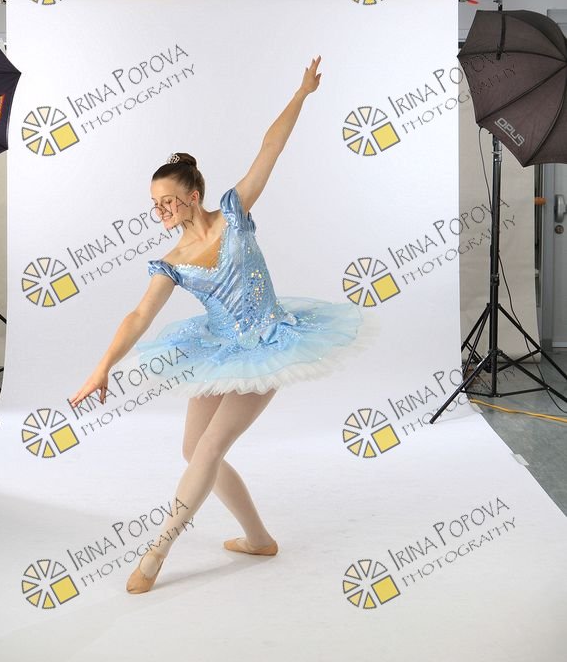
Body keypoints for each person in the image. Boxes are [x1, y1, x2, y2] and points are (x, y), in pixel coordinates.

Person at [68, 55, 364, 594]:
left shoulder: (234, 212)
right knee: (193, 450)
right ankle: (259, 539)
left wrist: (302, 93)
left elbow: (270, 147)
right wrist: (102, 367)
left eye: (168, 201)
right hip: (219, 350)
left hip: (269, 343)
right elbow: (139, 315)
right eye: (155, 205)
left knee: (206, 450)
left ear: (193, 196)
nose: (160, 211)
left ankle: (157, 551)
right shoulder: (173, 260)